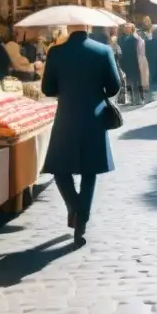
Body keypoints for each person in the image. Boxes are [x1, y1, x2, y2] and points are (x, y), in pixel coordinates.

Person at [40, 24, 121, 247]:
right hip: (93, 117)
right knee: (89, 170)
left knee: (60, 169)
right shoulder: (103, 51)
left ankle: (74, 207)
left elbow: (47, 88)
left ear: (69, 27)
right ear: (88, 26)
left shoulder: (56, 52)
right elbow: (114, 87)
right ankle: (81, 218)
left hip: (66, 116)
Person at [118, 25, 144, 106]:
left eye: (128, 27)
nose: (126, 28)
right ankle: (132, 99)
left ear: (131, 28)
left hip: (134, 61)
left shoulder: (135, 38)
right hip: (126, 62)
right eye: (125, 27)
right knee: (128, 82)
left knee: (137, 81)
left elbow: (139, 49)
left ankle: (140, 98)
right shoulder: (121, 38)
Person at [146, 27, 157, 93]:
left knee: (153, 72)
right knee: (155, 74)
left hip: (152, 60)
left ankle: (153, 82)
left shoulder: (148, 42)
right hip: (155, 60)